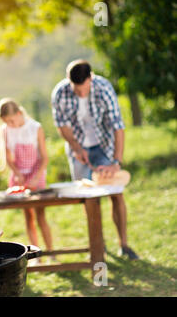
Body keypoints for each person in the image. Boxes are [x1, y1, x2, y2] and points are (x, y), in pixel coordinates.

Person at [51, 59, 139, 260]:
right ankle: (99, 245)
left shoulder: (104, 88)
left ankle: (124, 245)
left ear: (91, 78)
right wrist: (76, 147)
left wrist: (116, 161)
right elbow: (62, 125)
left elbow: (118, 125)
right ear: (68, 81)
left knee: (116, 194)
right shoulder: (60, 93)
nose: (81, 93)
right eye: (77, 90)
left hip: (104, 145)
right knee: (88, 197)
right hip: (78, 147)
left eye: (84, 89)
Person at [0, 98, 55, 261]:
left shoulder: (35, 128)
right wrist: (17, 173)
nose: (11, 125)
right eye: (7, 122)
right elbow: (8, 158)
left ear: (19, 113)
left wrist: (36, 177)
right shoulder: (6, 130)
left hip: (37, 175)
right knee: (28, 217)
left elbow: (44, 158)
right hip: (20, 177)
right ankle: (36, 256)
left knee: (40, 215)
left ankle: (51, 253)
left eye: (12, 120)